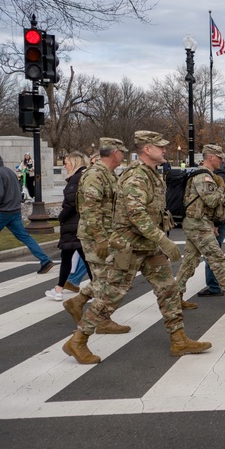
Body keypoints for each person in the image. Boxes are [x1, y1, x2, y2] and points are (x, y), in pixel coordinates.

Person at [62, 131, 211, 364]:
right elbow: (136, 214)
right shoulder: (136, 176)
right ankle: (77, 341)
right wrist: (163, 239)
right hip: (130, 245)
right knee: (110, 295)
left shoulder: (150, 173)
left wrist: (158, 240)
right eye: (159, 147)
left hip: (148, 246)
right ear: (147, 149)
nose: (164, 150)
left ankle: (179, 339)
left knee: (168, 289)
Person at [61, 137, 132, 333]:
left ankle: (78, 301)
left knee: (107, 277)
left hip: (107, 234)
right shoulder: (95, 175)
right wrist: (100, 238)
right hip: (96, 236)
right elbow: (90, 209)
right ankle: (100, 321)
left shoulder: (107, 174)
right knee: (108, 279)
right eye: (122, 152)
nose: (123, 156)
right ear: (114, 153)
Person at [174, 144, 225, 309]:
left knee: (189, 262)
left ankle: (175, 298)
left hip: (197, 222)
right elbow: (211, 201)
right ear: (211, 157)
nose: (222, 160)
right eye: (220, 157)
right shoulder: (204, 177)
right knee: (217, 258)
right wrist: (222, 190)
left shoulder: (205, 174)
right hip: (198, 224)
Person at [194, 155, 225, 297]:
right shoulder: (219, 174)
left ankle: (221, 281)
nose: (221, 160)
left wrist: (216, 223)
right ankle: (220, 280)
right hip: (220, 220)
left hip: (221, 221)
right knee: (212, 252)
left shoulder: (221, 176)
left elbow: (224, 202)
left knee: (212, 253)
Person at [45, 152, 88, 302]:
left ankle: (60, 290)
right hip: (78, 223)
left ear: (74, 162)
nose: (65, 166)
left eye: (66, 163)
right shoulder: (83, 176)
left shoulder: (75, 179)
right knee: (70, 257)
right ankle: (59, 288)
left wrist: (61, 217)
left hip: (73, 224)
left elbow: (70, 203)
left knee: (80, 258)